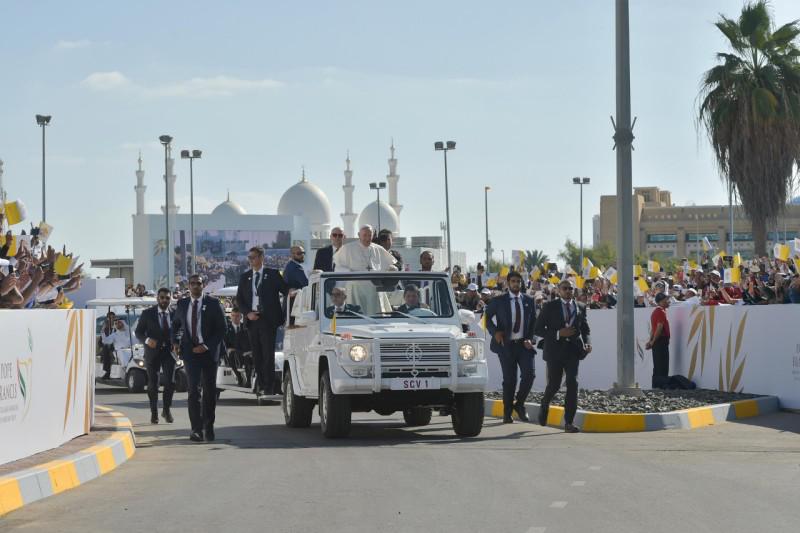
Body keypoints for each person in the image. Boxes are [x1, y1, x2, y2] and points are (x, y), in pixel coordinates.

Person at [172, 274, 226, 443]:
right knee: (193, 390)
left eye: (199, 283)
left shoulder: (213, 303)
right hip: (190, 353)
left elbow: (222, 329)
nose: (195, 286)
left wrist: (207, 345)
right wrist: (174, 341)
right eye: (192, 283)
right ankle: (196, 430)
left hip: (209, 353)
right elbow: (175, 325)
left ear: (204, 286)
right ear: (188, 286)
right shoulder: (182, 304)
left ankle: (208, 427)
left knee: (209, 392)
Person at [534, 279, 591, 433]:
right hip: (554, 351)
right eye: (565, 288)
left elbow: (585, 329)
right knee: (554, 384)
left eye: (571, 288)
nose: (568, 291)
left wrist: (586, 342)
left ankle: (569, 423)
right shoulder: (549, 306)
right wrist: (559, 333)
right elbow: (538, 329)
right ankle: (545, 404)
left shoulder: (580, 307)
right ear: (558, 290)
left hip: (573, 351)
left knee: (573, 383)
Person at [485, 270, 537, 423]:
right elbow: (486, 318)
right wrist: (495, 332)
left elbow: (534, 322)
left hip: (523, 345)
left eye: (518, 281)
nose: (516, 284)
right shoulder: (499, 300)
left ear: (522, 283)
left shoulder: (529, 300)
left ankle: (519, 405)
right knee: (510, 380)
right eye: (513, 281)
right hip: (506, 345)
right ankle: (507, 412)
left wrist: (531, 339)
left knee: (529, 374)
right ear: (508, 283)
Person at [236, 246, 289, 396]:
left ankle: (269, 385)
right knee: (257, 355)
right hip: (253, 320)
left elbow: (285, 290)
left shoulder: (272, 274)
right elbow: (239, 299)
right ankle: (260, 383)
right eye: (249, 258)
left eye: (253, 257)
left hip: (268, 320)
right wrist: (247, 313)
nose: (251, 260)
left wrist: (294, 292)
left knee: (268, 354)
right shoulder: (245, 277)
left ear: (261, 258)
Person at [134, 288, 176, 424]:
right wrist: (147, 340)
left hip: (169, 352)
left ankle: (166, 409)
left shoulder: (175, 313)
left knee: (171, 382)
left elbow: (180, 330)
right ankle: (154, 412)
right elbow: (138, 332)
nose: (164, 300)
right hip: (152, 352)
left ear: (170, 299)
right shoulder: (148, 313)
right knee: (153, 383)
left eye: (167, 298)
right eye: (162, 297)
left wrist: (178, 343)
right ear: (158, 298)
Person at [333, 224, 398, 272]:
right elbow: (338, 267)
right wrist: (351, 273)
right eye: (365, 235)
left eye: (370, 235)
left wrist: (392, 268)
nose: (367, 238)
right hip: (355, 286)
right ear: (359, 235)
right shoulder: (347, 249)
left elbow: (388, 266)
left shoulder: (379, 249)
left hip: (374, 287)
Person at [645, 292, 671, 389]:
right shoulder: (660, 312)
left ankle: (656, 386)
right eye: (666, 300)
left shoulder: (656, 312)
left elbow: (653, 329)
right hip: (661, 341)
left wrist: (651, 341)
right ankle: (662, 387)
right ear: (661, 301)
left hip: (658, 341)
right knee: (663, 365)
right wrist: (652, 341)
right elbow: (659, 328)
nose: (668, 302)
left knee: (657, 365)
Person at [224, 308, 250, 387]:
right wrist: (228, 348)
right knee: (232, 354)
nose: (235, 318)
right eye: (233, 316)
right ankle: (239, 378)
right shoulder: (226, 329)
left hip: (244, 351)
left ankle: (249, 380)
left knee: (248, 356)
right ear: (231, 316)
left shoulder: (245, 327)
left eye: (237, 316)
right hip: (232, 351)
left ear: (241, 317)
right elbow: (224, 342)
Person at [100, 311, 117, 379]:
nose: (112, 319)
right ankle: (107, 372)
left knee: (109, 351)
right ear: (107, 319)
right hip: (107, 347)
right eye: (110, 318)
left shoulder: (117, 326)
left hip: (115, 346)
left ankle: (108, 372)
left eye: (113, 318)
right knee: (106, 350)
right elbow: (102, 339)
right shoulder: (105, 328)